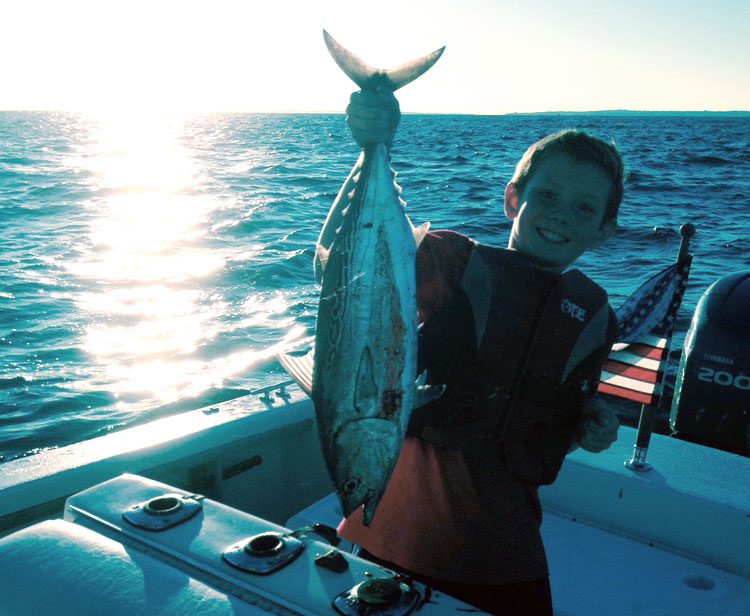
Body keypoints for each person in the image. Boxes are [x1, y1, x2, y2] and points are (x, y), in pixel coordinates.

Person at [314, 90, 622, 615]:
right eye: (547, 195)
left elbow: (555, 421)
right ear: (512, 200)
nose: (561, 215)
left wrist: (592, 427)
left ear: (604, 231)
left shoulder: (595, 316)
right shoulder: (452, 263)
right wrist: (374, 142)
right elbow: (344, 269)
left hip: (507, 553)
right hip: (391, 534)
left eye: (585, 207)